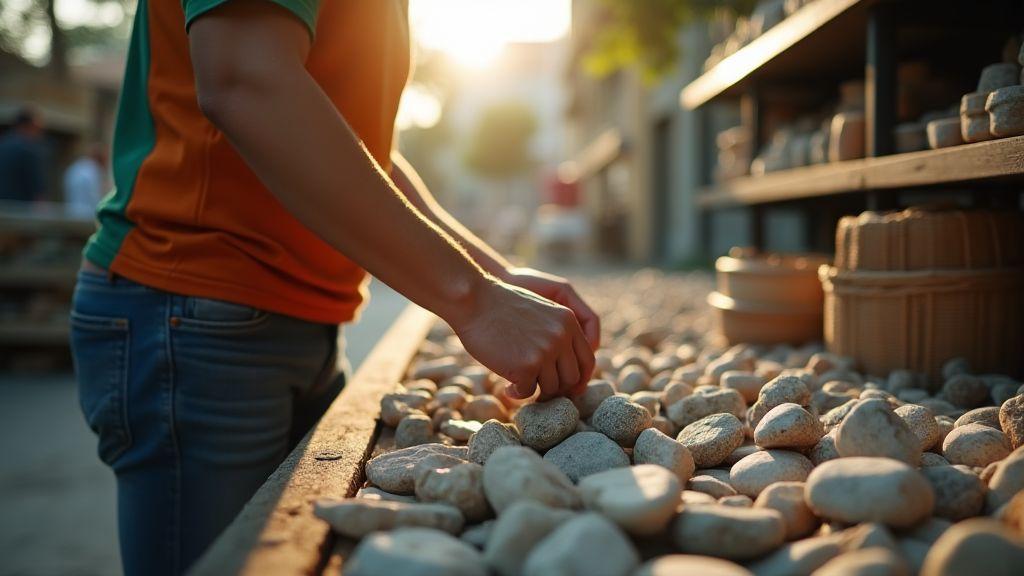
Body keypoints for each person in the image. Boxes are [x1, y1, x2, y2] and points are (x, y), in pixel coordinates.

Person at [69, 2, 599, 575]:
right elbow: (246, 82)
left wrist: (492, 277)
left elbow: (354, 150)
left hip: (288, 321)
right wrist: (475, 300)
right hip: (191, 312)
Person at [0, 107, 46, 203]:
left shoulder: (3, 143)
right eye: (37, 128)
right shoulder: (28, 149)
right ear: (27, 126)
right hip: (21, 210)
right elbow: (37, 191)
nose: (39, 134)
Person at [63, 143, 107, 218]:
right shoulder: (93, 170)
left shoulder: (75, 167)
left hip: (71, 211)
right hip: (88, 215)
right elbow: (95, 195)